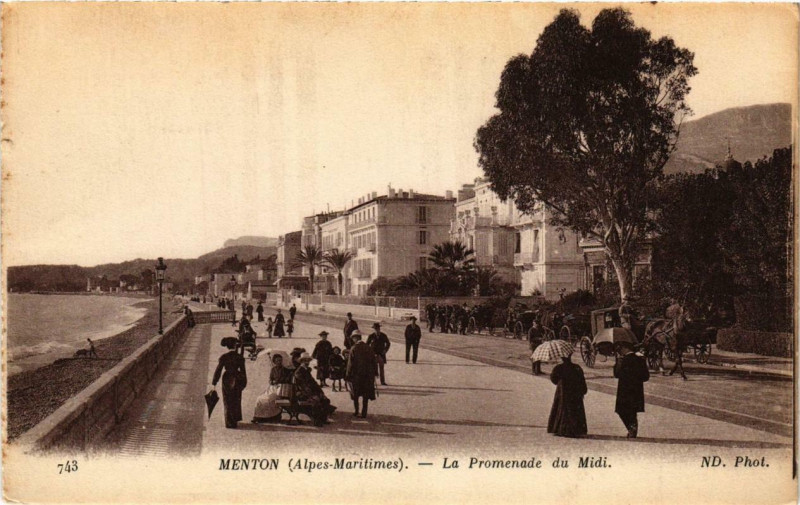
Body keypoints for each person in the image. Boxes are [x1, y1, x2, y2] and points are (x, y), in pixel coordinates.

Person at [613, 341, 650, 438]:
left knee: (621, 410)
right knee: (632, 411)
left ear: (625, 348)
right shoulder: (640, 359)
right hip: (637, 390)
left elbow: (616, 374)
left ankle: (631, 428)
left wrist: (618, 361)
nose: (619, 351)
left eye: (620, 349)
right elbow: (646, 377)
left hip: (624, 390)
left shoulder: (622, 360)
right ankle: (632, 428)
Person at [547, 354, 588, 438]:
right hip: (575, 393)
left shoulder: (558, 368)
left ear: (562, 358)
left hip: (562, 392)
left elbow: (554, 379)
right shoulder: (577, 367)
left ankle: (561, 429)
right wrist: (583, 391)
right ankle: (577, 429)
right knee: (575, 410)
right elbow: (582, 381)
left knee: (562, 409)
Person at [211, 337, 247, 429]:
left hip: (227, 378)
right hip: (237, 378)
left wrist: (214, 382)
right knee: (236, 399)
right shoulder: (239, 357)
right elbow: (243, 371)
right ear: (235, 346)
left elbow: (218, 370)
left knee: (227, 400)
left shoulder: (224, 357)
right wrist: (244, 383)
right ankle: (235, 420)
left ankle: (229, 422)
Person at [293, 353, 336, 427]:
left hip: (310, 392)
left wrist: (321, 393)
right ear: (301, 361)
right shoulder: (299, 372)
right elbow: (303, 386)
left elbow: (314, 383)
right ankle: (317, 421)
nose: (307, 362)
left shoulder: (306, 370)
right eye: (305, 360)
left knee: (325, 400)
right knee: (316, 401)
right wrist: (312, 395)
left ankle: (323, 419)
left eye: (308, 360)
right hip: (303, 393)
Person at [252, 351, 291, 423]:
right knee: (259, 398)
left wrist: (279, 381)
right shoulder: (273, 370)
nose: (279, 362)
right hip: (272, 388)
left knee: (269, 399)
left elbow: (287, 380)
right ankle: (258, 416)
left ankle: (271, 417)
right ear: (274, 362)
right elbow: (270, 379)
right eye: (277, 361)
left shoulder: (285, 370)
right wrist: (272, 382)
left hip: (280, 389)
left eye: (280, 360)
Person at [346, 331, 377, 418]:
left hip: (357, 376)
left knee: (356, 394)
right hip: (368, 376)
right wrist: (375, 372)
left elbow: (350, 364)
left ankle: (356, 411)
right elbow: (374, 361)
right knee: (365, 395)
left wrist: (348, 375)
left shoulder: (354, 348)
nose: (353, 340)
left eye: (353, 338)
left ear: (356, 338)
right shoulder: (368, 347)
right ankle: (364, 413)